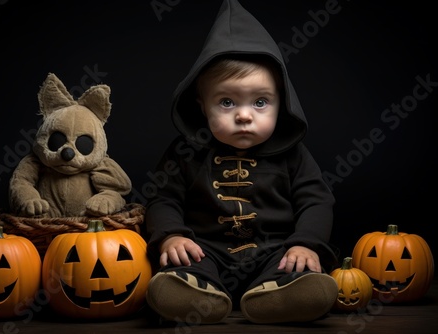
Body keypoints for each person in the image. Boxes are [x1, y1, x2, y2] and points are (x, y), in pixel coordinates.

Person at [145, 0, 339, 325]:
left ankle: (283, 294)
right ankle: (194, 294)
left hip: (273, 248)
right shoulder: (186, 151)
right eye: (226, 101)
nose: (244, 115)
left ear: (282, 101)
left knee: (293, 264)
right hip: (205, 249)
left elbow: (317, 202)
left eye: (261, 102)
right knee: (182, 262)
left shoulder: (293, 154)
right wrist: (172, 236)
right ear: (202, 106)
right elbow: (162, 199)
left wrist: (306, 245)